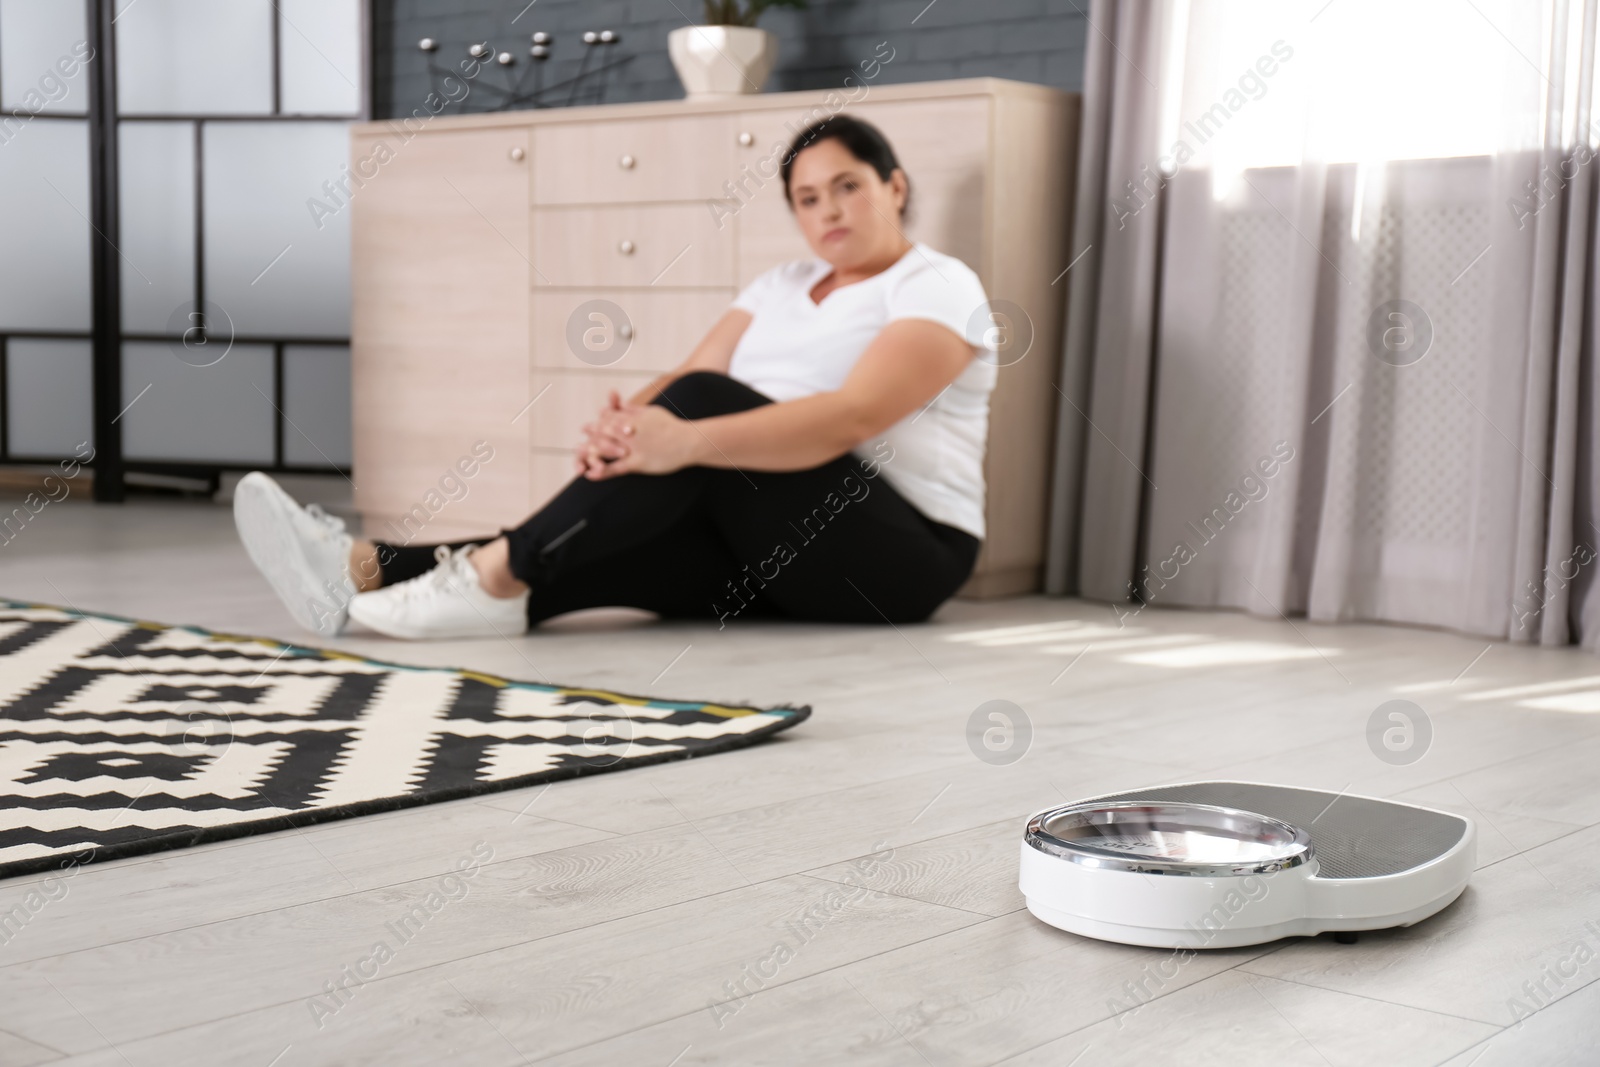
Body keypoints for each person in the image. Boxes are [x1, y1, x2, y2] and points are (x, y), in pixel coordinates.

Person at [234, 113, 998, 640]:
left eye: (848, 185)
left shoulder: (935, 284)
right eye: (807, 197)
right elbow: (688, 371)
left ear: (893, 187)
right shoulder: (780, 283)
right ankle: (365, 572)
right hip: (776, 544)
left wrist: (678, 436)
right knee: (613, 546)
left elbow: (849, 418)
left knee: (695, 412)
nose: (828, 209)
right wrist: (626, 429)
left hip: (899, 558)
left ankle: (490, 573)